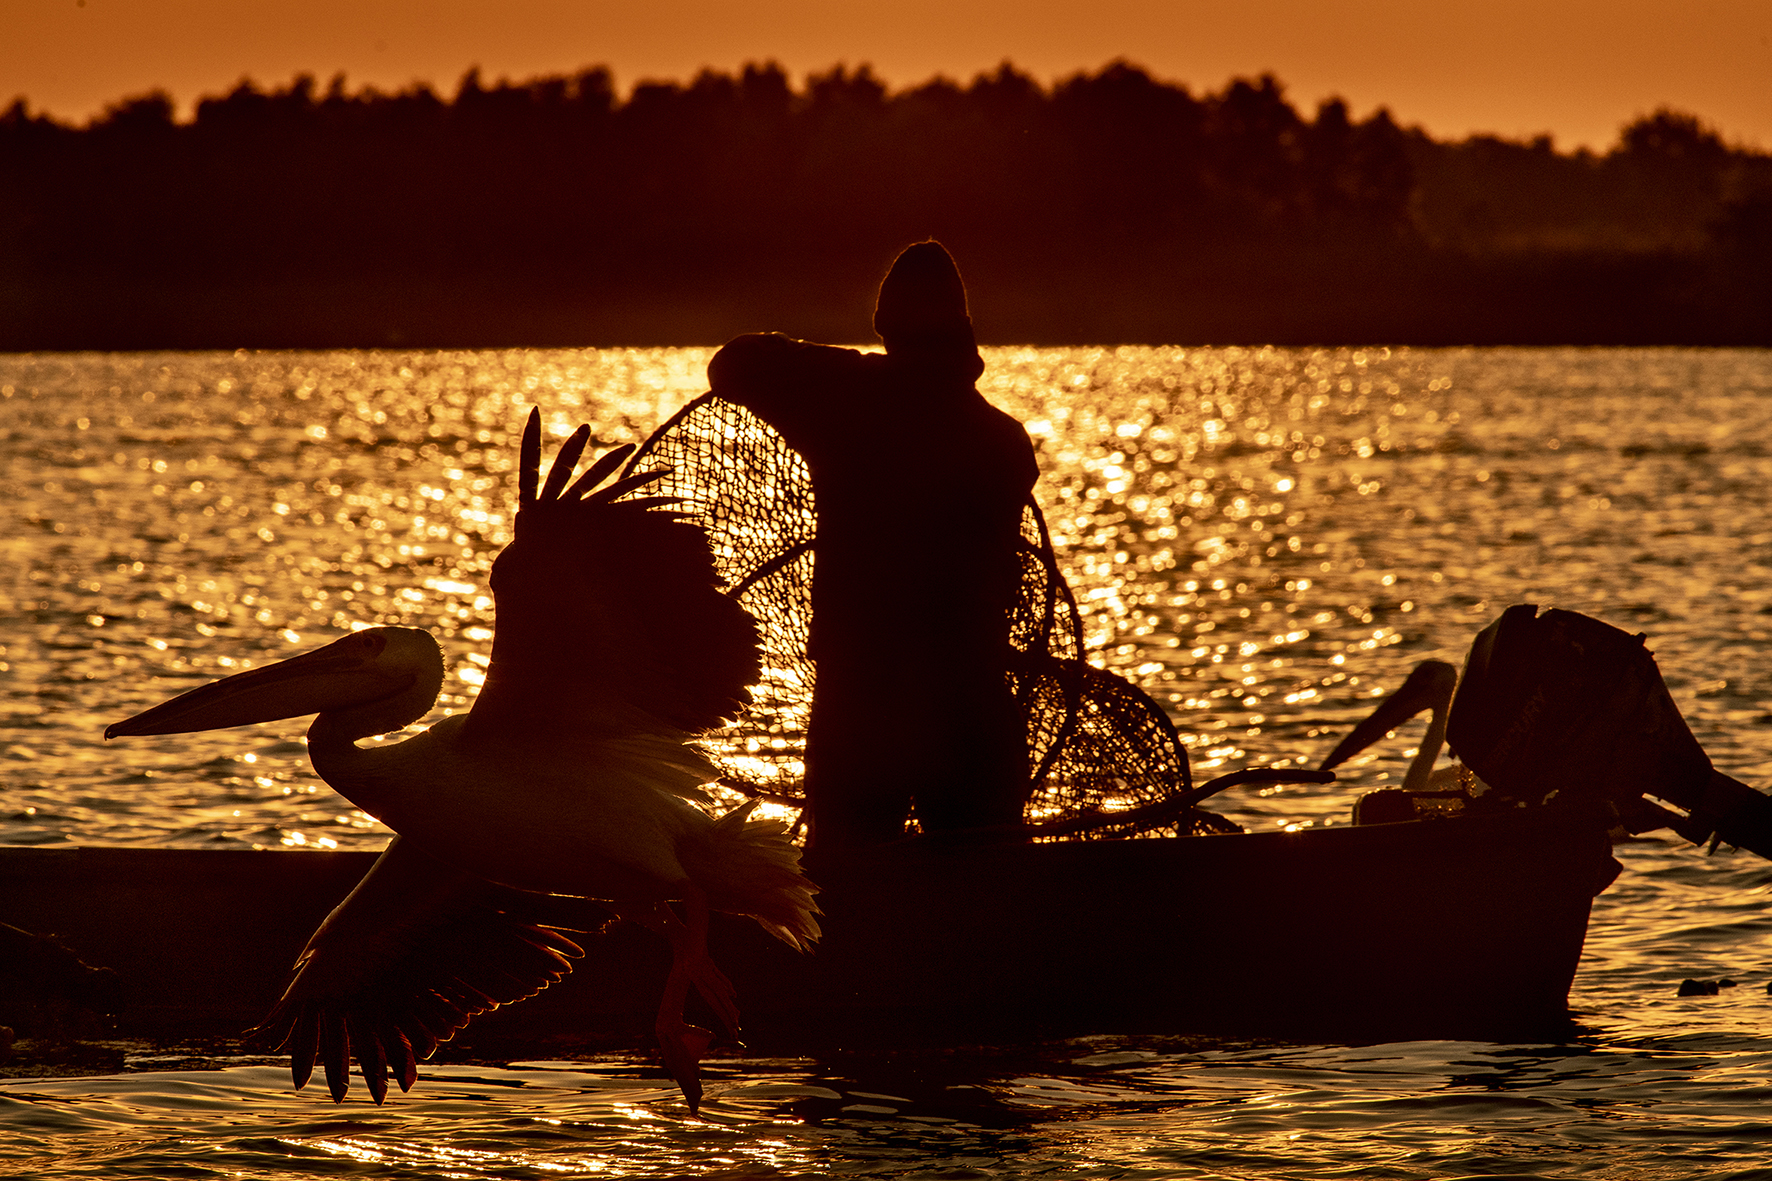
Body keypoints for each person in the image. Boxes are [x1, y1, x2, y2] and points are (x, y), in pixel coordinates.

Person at [707, 242, 1039, 853]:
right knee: (989, 895)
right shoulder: (1006, 442)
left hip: (863, 707)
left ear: (884, 327)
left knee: (848, 890)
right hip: (974, 711)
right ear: (966, 333)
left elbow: (734, 364)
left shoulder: (844, 400)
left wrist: (849, 362)